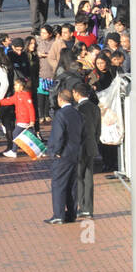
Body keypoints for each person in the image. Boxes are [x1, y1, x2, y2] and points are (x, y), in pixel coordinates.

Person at [45, 88, 83, 224]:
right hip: (75, 153)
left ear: (60, 99)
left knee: (58, 184)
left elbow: (59, 136)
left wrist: (56, 151)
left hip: (63, 155)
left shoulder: (61, 115)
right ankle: (71, 213)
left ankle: (58, 215)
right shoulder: (77, 113)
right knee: (72, 185)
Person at [73, 81, 101, 219]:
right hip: (91, 146)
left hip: (80, 148)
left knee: (79, 177)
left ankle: (81, 206)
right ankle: (88, 208)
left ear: (77, 93)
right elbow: (98, 130)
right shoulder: (95, 108)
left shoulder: (77, 109)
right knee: (88, 177)